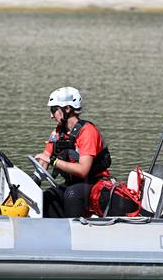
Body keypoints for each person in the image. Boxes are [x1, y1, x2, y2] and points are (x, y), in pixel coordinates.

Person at [34, 86, 112, 218]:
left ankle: (76, 231)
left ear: (67, 109)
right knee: (46, 197)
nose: (51, 115)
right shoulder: (58, 132)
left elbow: (83, 170)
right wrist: (35, 179)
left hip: (95, 183)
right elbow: (46, 157)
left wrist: (54, 161)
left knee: (72, 195)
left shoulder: (87, 132)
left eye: (54, 110)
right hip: (74, 183)